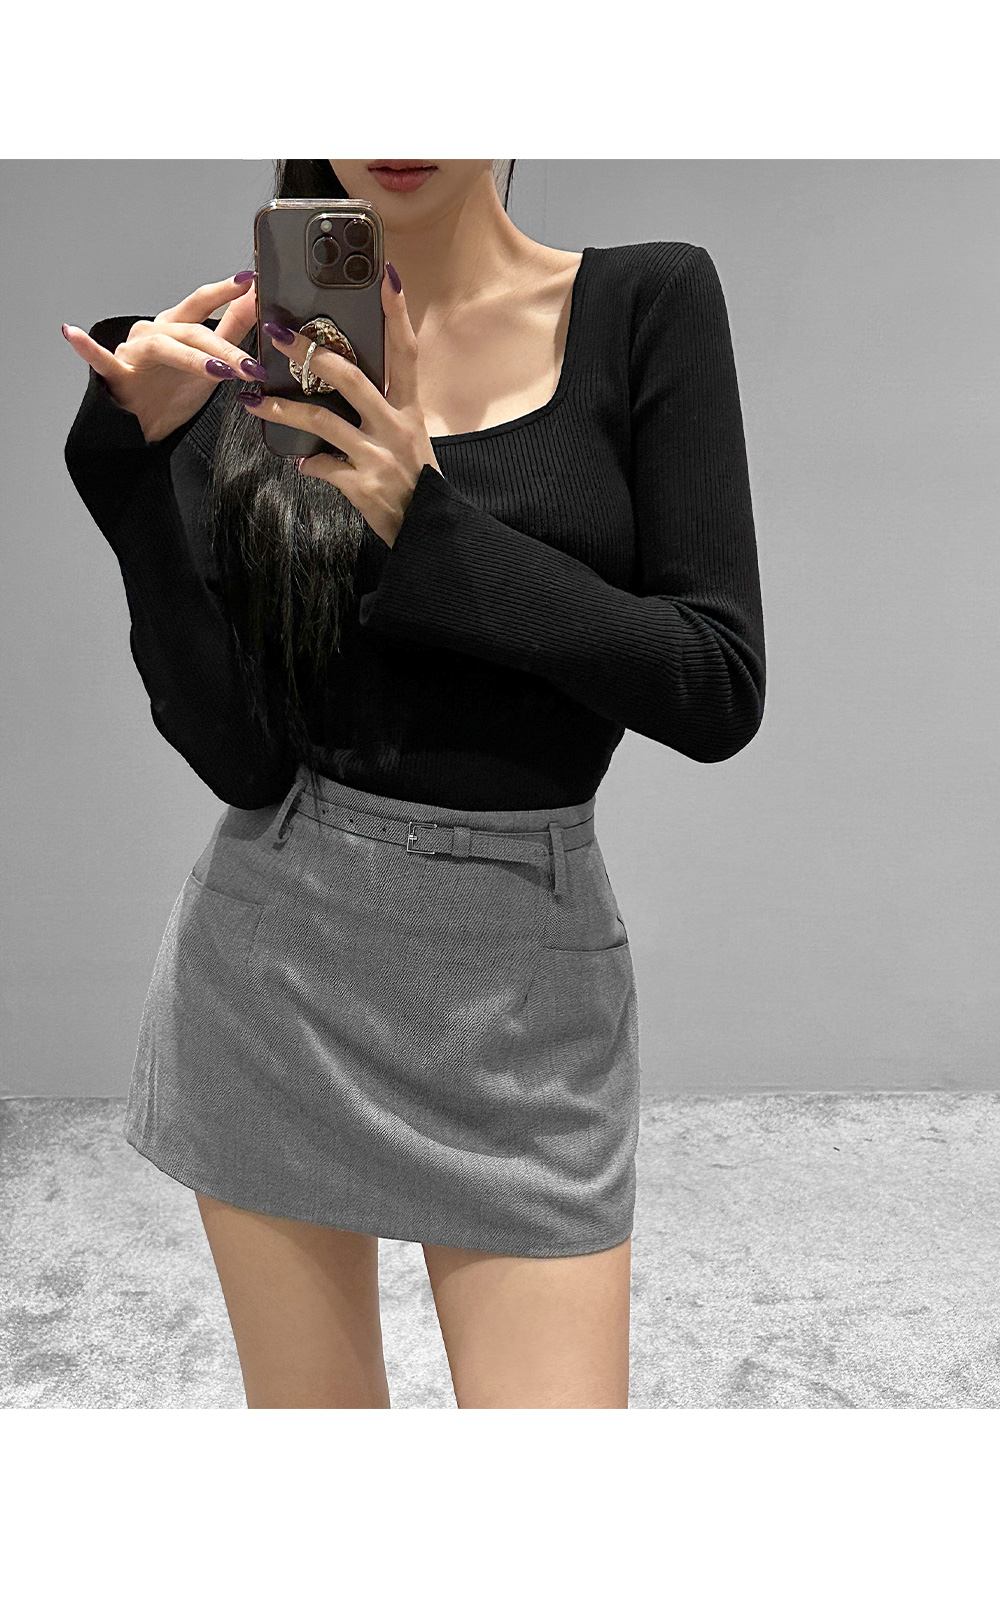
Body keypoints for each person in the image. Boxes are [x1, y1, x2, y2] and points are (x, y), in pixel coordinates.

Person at [62, 157, 766, 1410]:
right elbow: (242, 756)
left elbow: (713, 682)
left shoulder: (646, 304)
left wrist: (428, 525)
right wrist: (141, 465)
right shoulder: (265, 361)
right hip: (274, 978)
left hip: (522, 1000)